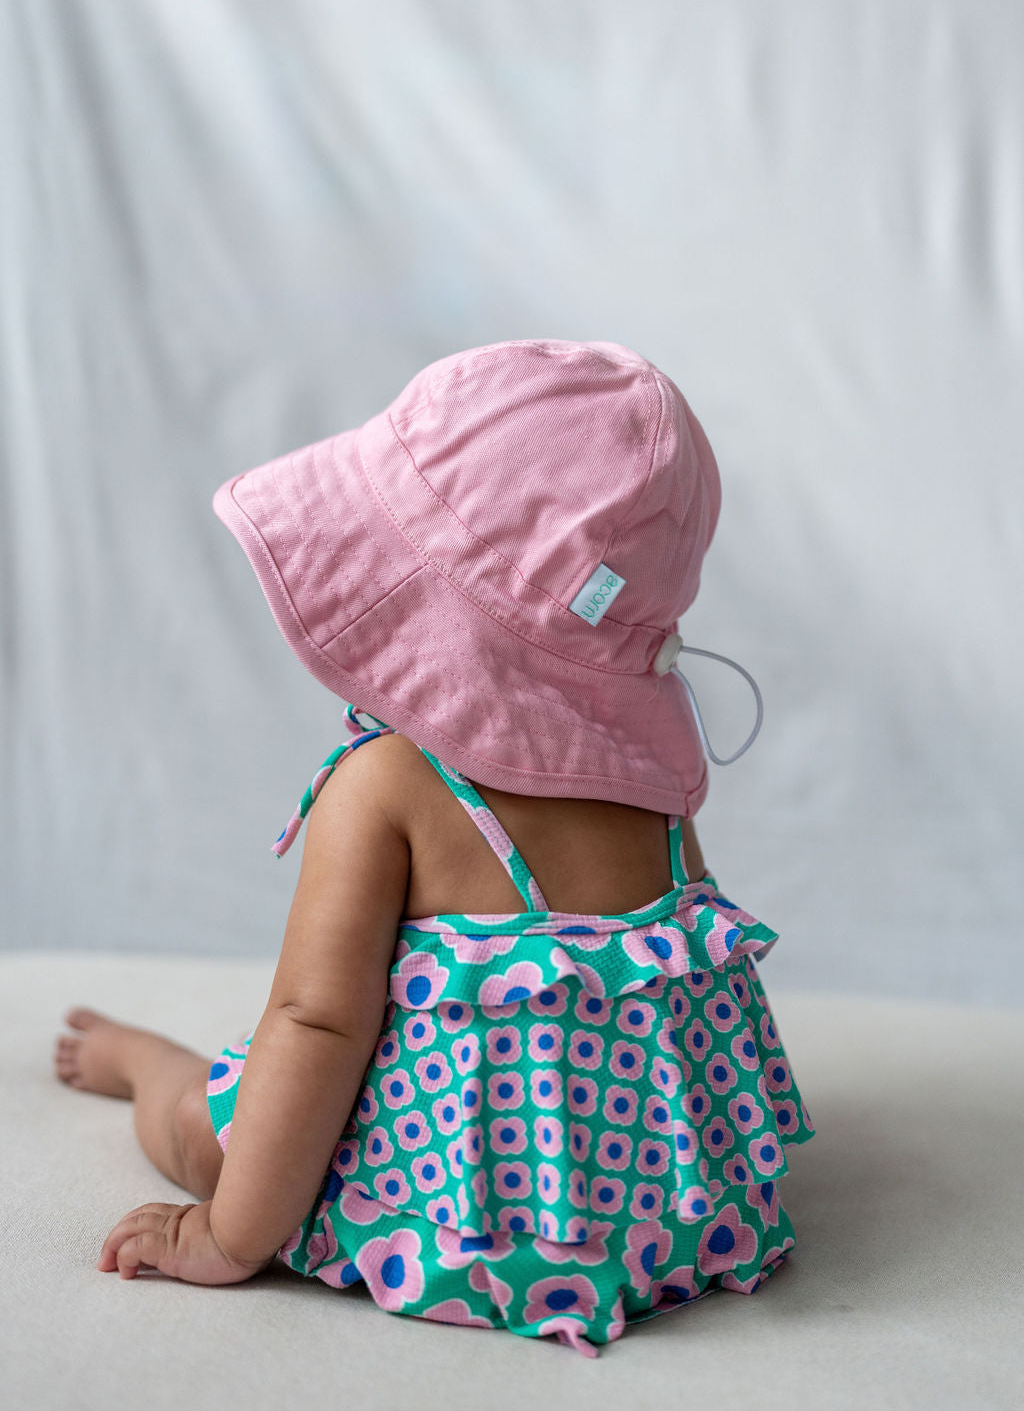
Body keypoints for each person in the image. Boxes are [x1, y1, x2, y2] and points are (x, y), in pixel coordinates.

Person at [55, 338, 813, 1356]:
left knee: (206, 1128)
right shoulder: (656, 791)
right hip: (669, 1228)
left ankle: (146, 1065)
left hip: (450, 1225)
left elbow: (316, 1026)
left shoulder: (389, 786)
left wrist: (230, 1236)